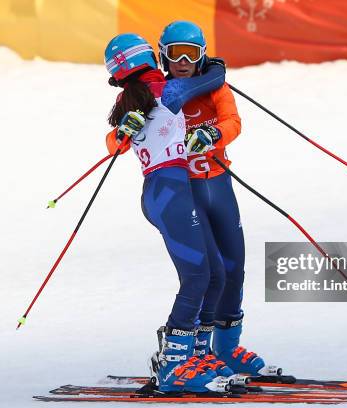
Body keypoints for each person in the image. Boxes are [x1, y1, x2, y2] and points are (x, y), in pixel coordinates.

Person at [107, 21, 277, 379]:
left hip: (217, 182)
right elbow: (119, 139)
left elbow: (232, 121)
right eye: (174, 54)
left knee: (231, 269)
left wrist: (213, 132)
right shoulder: (163, 90)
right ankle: (188, 353)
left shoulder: (201, 87)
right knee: (206, 273)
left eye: (192, 54)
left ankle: (223, 348)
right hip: (187, 188)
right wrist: (122, 131)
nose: (183, 61)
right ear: (160, 57)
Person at [103, 32, 227, 393]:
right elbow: (213, 79)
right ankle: (174, 366)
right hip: (168, 192)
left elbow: (115, 144)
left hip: (172, 192)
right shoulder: (162, 91)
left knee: (214, 273)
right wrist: (216, 65)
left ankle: (193, 356)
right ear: (148, 60)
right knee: (198, 278)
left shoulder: (137, 96)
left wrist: (119, 136)